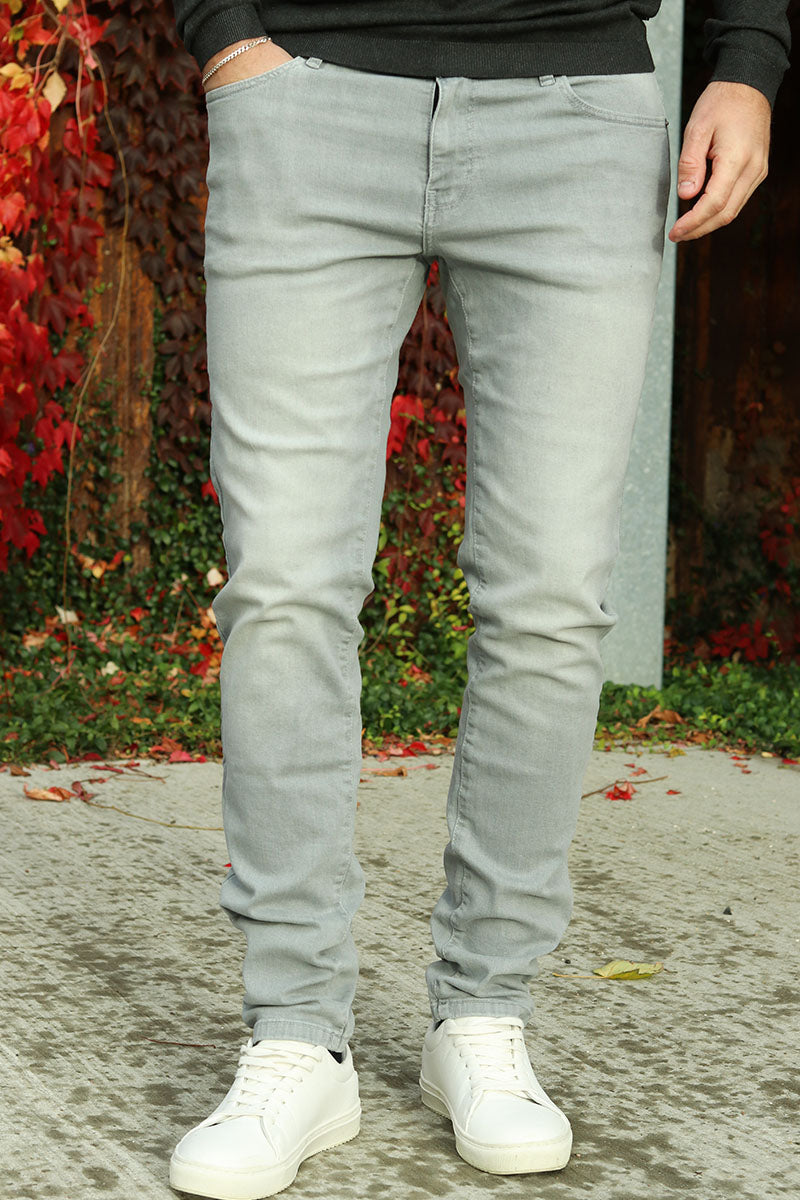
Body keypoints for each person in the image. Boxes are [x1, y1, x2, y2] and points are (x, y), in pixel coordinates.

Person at [167, 3, 790, 1197]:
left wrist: (746, 61)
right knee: (284, 588)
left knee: (549, 600)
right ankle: (295, 1034)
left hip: (577, 115)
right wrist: (226, 34)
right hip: (306, 93)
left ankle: (483, 1014)